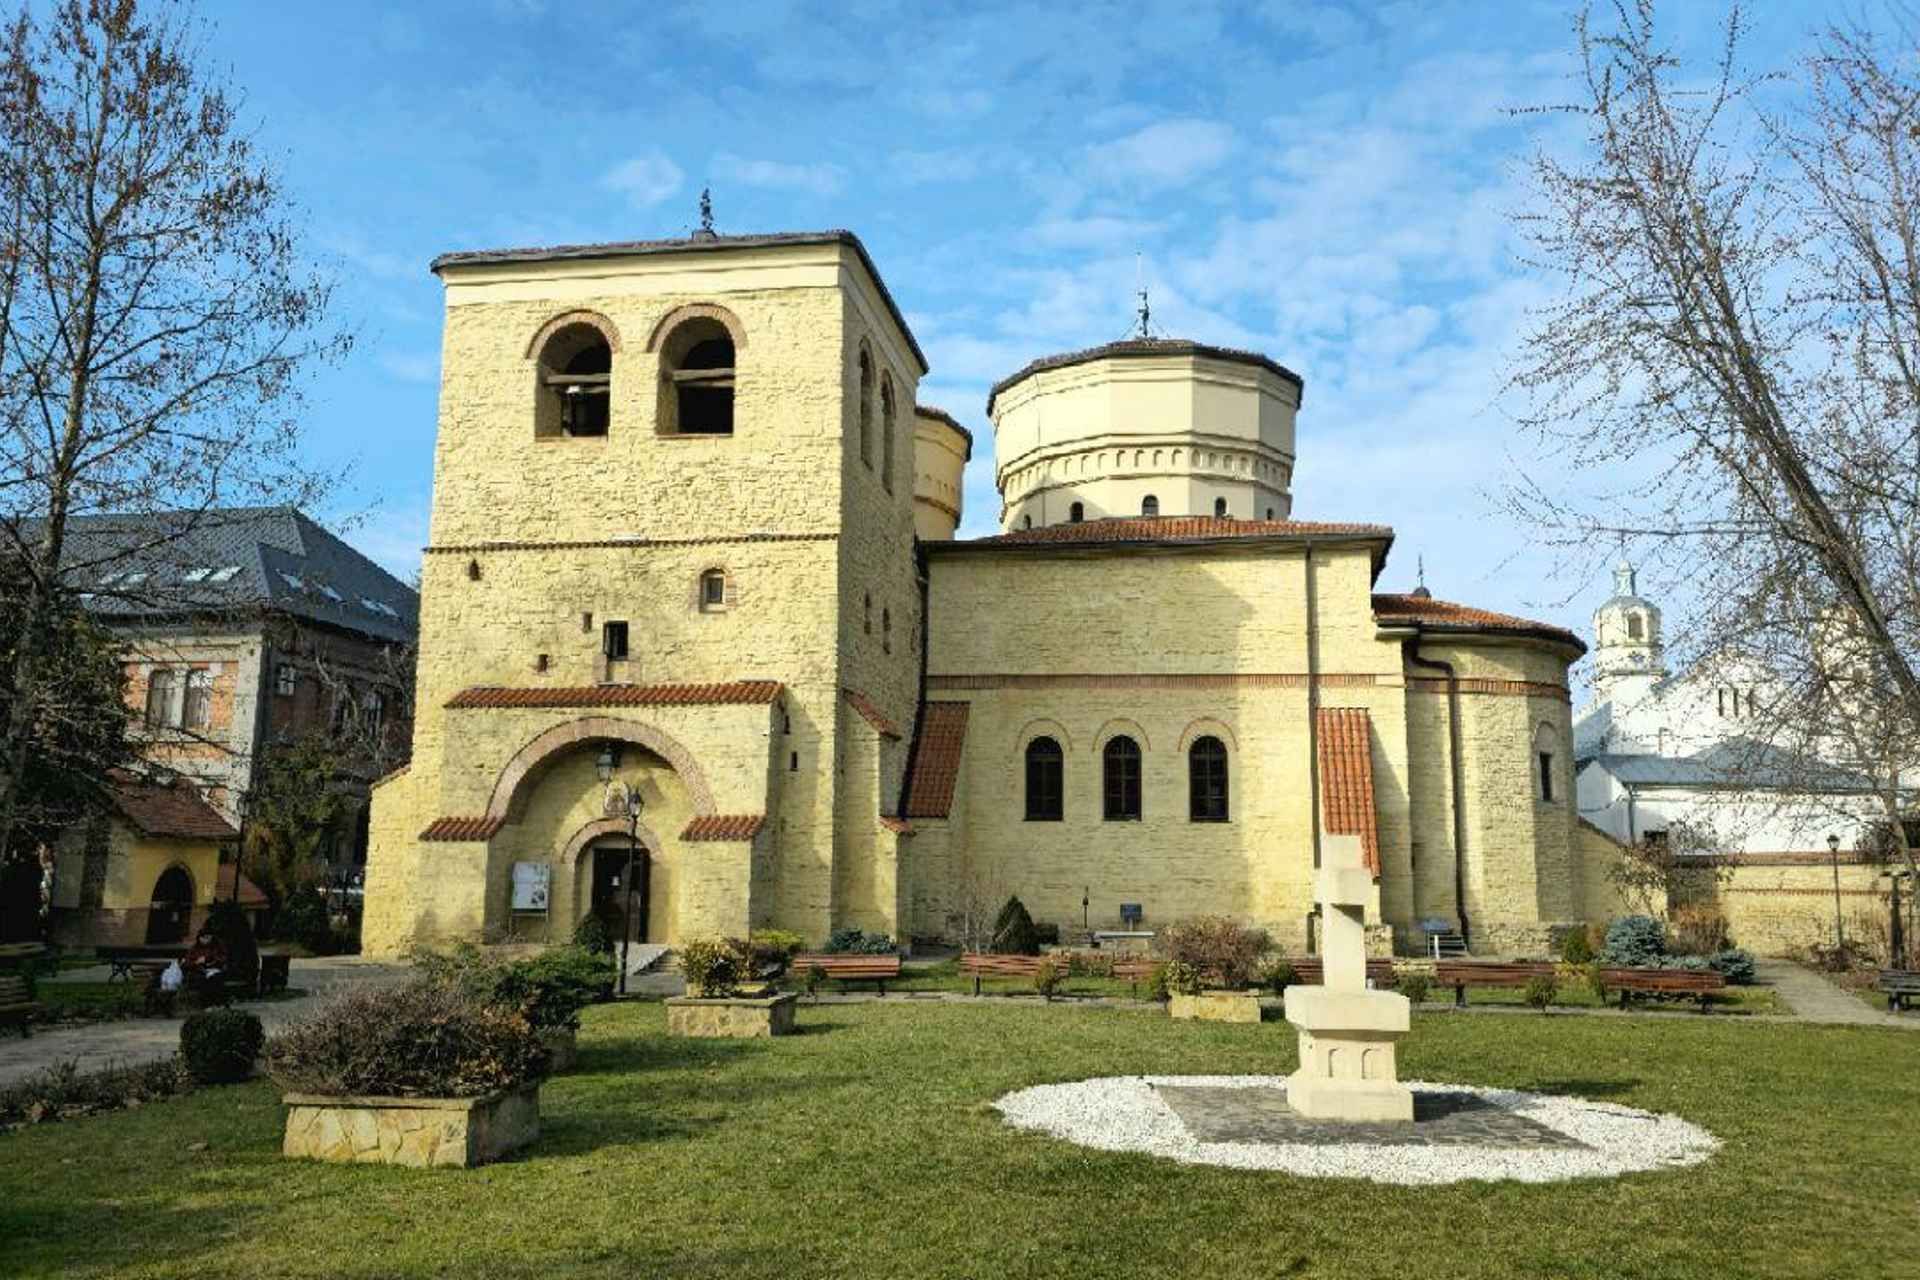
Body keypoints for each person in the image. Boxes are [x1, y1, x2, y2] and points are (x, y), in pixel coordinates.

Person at [181, 926, 228, 1001]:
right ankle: (206, 1001)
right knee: (202, 980)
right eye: (204, 938)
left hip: (215, 970)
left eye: (208, 938)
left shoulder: (217, 947)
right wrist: (196, 962)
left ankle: (215, 1001)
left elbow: (223, 958)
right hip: (199, 971)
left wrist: (209, 959)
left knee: (215, 978)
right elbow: (186, 963)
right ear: (199, 938)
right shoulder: (194, 949)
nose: (206, 940)